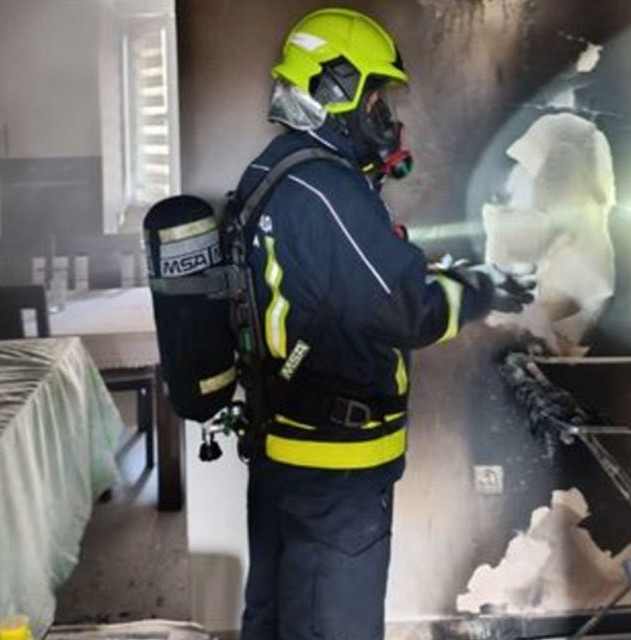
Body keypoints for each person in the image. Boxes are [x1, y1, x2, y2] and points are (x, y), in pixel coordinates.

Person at [232, 8, 535, 640]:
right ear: (334, 90)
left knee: (277, 616)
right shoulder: (327, 188)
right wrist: (483, 289)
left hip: (284, 447)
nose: (385, 116)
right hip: (335, 465)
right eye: (376, 97)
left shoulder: (271, 171)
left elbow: (341, 284)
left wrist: (431, 270)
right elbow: (406, 311)